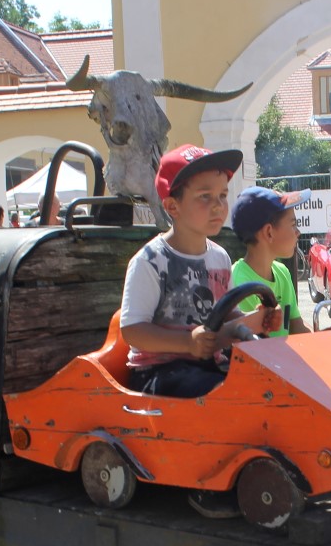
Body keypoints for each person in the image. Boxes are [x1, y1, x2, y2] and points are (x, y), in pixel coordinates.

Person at [118, 145, 273, 398]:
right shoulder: (151, 261)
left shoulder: (219, 257)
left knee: (267, 384)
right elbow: (132, 330)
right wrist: (187, 343)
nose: (218, 206)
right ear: (172, 206)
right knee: (225, 395)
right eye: (205, 196)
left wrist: (254, 320)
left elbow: (226, 311)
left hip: (207, 364)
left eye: (222, 195)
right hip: (158, 372)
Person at [230, 186, 309, 339]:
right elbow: (256, 347)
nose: (298, 232)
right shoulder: (240, 284)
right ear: (269, 232)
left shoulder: (282, 272)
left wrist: (327, 339)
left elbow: (295, 325)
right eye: (293, 224)